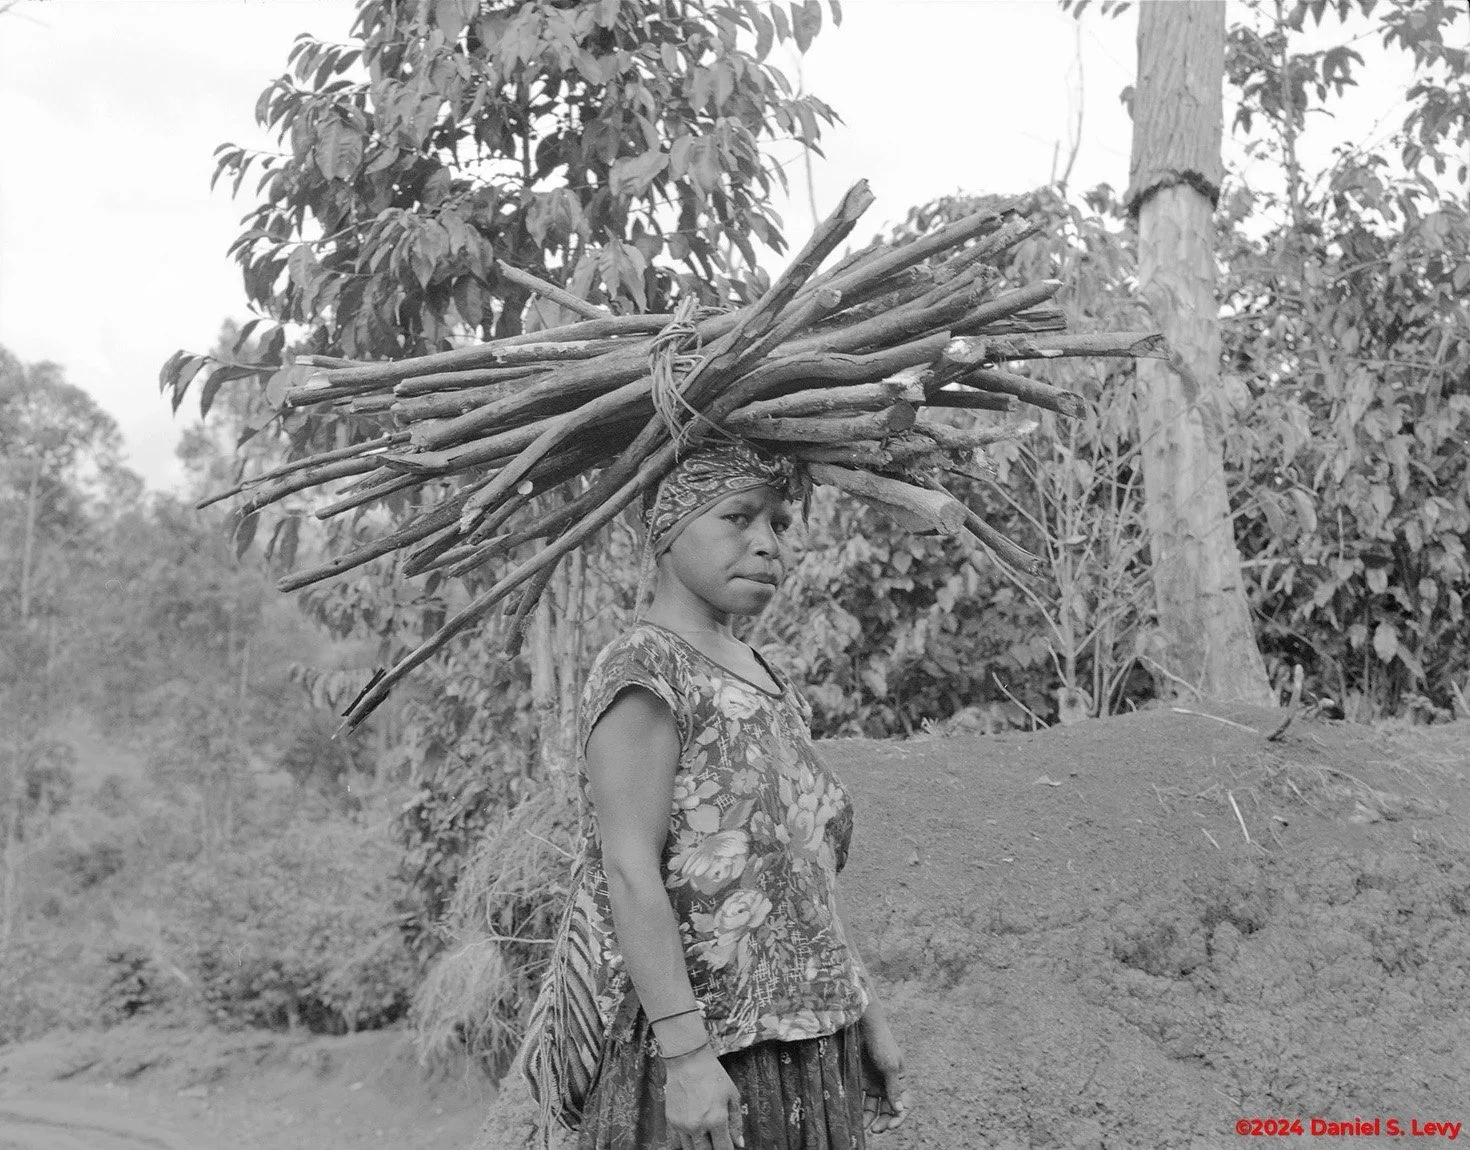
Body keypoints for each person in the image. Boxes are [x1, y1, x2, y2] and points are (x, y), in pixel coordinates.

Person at [566, 441, 911, 1150]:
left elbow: (800, 875)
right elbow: (628, 869)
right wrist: (687, 1057)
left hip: (810, 1040)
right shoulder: (648, 668)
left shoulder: (767, 676)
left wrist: (863, 1005)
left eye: (780, 524)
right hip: (711, 1050)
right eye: (738, 517)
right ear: (666, 528)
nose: (767, 544)